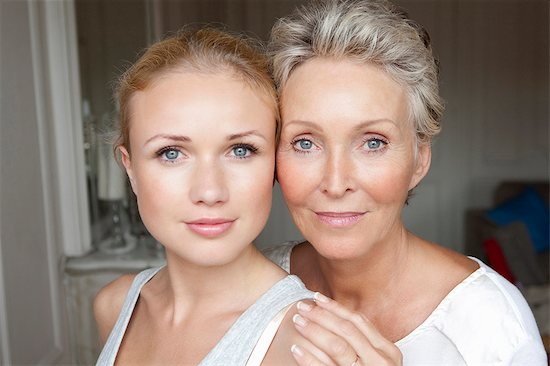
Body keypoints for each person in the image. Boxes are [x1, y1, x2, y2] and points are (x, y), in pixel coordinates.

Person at [265, 0, 548, 365]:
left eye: (373, 142)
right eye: (305, 142)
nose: (335, 183)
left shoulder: (490, 325)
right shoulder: (254, 289)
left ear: (420, 159)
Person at [93, 27, 316, 365]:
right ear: (131, 169)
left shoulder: (305, 341)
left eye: (241, 150)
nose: (209, 191)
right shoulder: (115, 305)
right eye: (170, 153)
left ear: (275, 163)